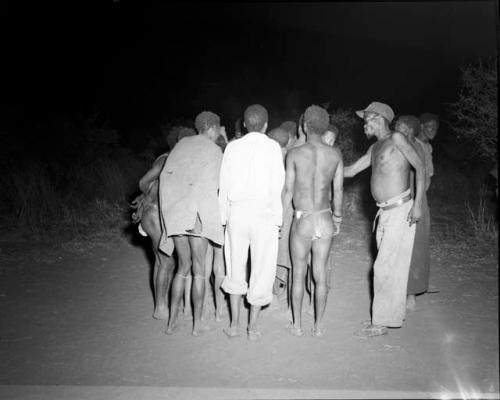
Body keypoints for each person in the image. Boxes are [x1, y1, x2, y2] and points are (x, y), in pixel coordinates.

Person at [344, 101, 424, 337]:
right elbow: (350, 171)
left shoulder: (397, 139)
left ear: (377, 118)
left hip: (400, 210)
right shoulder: (375, 148)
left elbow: (419, 167)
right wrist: (326, 163)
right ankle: (388, 316)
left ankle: (380, 322)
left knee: (383, 267)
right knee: (389, 267)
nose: (363, 125)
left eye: (366, 119)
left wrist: (418, 204)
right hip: (384, 213)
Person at [219, 104, 285, 340]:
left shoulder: (232, 148)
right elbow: (278, 186)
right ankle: (253, 327)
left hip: (237, 212)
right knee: (262, 268)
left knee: (234, 267)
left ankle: (234, 325)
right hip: (263, 214)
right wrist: (278, 220)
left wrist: (223, 218)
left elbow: (223, 187)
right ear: (266, 125)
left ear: (245, 124)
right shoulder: (273, 147)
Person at [159, 111, 224, 336]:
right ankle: (197, 325)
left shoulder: (180, 146)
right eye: (218, 130)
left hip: (176, 215)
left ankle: (171, 323)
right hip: (196, 217)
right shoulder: (213, 150)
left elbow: (165, 180)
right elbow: (215, 185)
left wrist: (170, 215)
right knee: (199, 272)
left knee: (181, 269)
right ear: (213, 128)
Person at [282, 105, 343, 337]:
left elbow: (288, 191)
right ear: (324, 127)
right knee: (320, 274)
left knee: (298, 272)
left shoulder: (295, 154)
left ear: (305, 125)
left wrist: (279, 220)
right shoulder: (335, 154)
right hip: (325, 217)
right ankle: (318, 327)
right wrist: (337, 217)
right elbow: (338, 191)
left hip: (303, 219)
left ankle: (296, 326)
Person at [130, 126, 197, 321]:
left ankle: (161, 305)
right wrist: (150, 195)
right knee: (167, 261)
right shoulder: (170, 158)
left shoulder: (165, 157)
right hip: (156, 213)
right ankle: (160, 307)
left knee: (161, 261)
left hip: (151, 213)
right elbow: (144, 181)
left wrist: (147, 195)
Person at [395, 115, 431, 311]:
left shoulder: (416, 147)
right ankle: (400, 290)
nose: (397, 130)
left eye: (400, 127)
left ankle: (411, 295)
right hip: (401, 202)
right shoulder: (398, 144)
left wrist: (416, 204)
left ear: (410, 131)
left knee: (414, 250)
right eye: (397, 126)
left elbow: (423, 178)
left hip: (414, 202)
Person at [418, 113, 439, 190]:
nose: (434, 131)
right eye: (431, 128)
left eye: (436, 129)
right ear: (422, 126)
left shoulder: (428, 147)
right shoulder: (414, 145)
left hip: (423, 190)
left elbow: (429, 173)